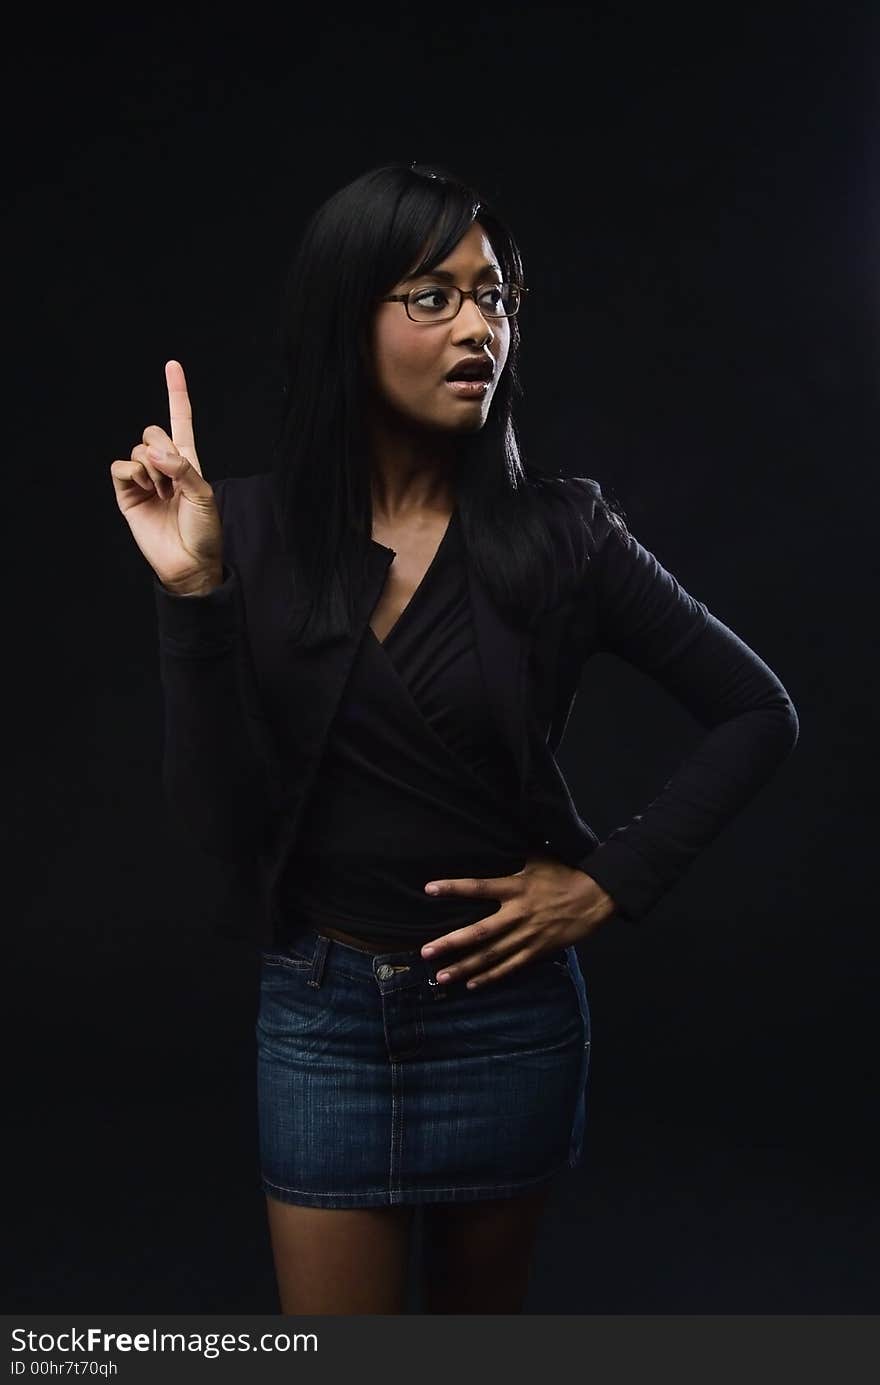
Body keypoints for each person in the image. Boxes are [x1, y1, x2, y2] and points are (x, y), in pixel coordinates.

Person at [110, 161, 799, 1315]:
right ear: (348, 317)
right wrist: (194, 597)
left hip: (507, 1018)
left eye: (497, 297)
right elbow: (219, 825)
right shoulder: (246, 529)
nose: (479, 324)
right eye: (433, 295)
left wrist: (606, 882)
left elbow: (757, 710)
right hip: (322, 1017)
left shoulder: (562, 532)